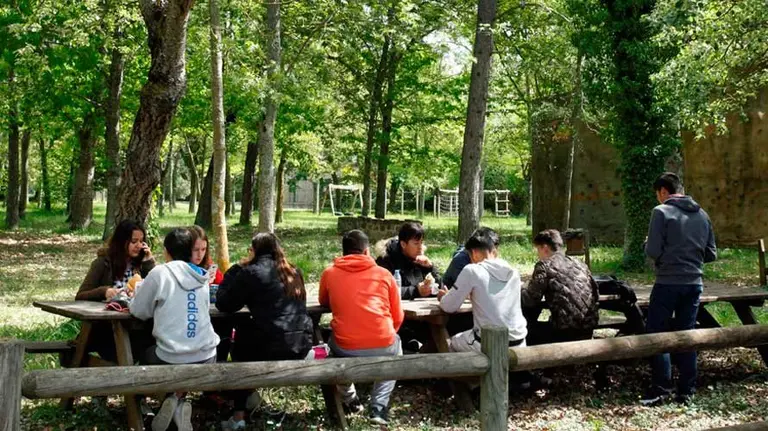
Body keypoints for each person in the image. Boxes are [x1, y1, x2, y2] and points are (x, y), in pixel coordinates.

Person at [216, 233, 313, 430]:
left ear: (254, 251)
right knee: (252, 336)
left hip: (270, 347)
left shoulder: (251, 273)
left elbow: (224, 304)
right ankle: (249, 396)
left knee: (242, 342)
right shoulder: (294, 271)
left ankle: (238, 415)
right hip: (300, 345)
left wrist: (235, 269)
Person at [130, 228, 220, 431]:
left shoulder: (160, 273)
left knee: (143, 352)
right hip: (208, 356)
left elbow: (139, 311)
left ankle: (154, 403)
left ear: (166, 250)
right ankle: (177, 404)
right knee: (184, 356)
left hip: (170, 357)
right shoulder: (202, 276)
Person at [641, 172, 717, 406]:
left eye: (658, 194)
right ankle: (686, 391)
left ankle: (661, 389)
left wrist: (649, 244)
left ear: (663, 191)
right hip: (694, 283)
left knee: (657, 334)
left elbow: (653, 251)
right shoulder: (702, 214)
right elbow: (711, 254)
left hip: (667, 282)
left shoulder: (661, 212)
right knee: (687, 335)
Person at [319, 230, 404, 425]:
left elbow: (324, 301)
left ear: (343, 252)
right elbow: (398, 315)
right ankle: (378, 406)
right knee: (395, 351)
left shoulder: (330, 273)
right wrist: (386, 335)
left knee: (331, 349)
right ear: (367, 251)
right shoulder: (384, 274)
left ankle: (350, 400)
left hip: (345, 346)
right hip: (384, 341)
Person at [75, 219, 155, 362]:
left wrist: (149, 262)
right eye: (134, 241)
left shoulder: (141, 265)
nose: (138, 246)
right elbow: (80, 295)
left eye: (141, 241)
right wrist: (104, 291)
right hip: (108, 330)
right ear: (122, 242)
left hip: (136, 327)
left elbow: (157, 287)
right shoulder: (103, 263)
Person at [437, 230, 527, 353]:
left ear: (474, 252)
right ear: (495, 250)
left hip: (489, 343)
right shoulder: (513, 272)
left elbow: (449, 306)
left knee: (451, 343)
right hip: (519, 342)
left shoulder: (472, 271)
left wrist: (443, 297)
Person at [521, 229, 599, 345]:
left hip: (564, 332)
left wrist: (523, 287)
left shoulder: (544, 265)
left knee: (524, 330)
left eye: (538, 250)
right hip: (588, 328)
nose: (538, 254)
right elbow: (595, 293)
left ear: (545, 248)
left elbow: (530, 299)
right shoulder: (580, 264)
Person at [375, 222, 441, 300]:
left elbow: (440, 287)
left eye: (421, 242)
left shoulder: (421, 260)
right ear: (403, 244)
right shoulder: (386, 261)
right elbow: (384, 290)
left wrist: (430, 267)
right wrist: (416, 291)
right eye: (416, 243)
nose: (420, 247)